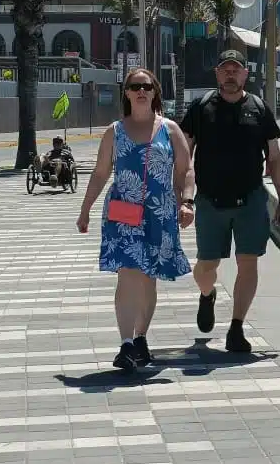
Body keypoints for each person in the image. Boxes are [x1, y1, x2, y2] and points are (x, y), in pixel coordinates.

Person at [77, 69, 193, 373]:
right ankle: (126, 343)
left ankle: (141, 336)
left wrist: (187, 202)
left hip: (160, 212)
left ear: (155, 92)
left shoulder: (170, 129)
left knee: (147, 277)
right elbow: (101, 172)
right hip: (122, 212)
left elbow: (185, 170)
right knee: (128, 272)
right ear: (126, 93)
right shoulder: (114, 131)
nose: (141, 91)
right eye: (134, 87)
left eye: (146, 86)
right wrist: (85, 209)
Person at [180, 50, 280, 354]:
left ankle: (236, 328)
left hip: (251, 199)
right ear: (217, 73)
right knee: (206, 265)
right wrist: (185, 198)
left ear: (245, 74)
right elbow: (185, 157)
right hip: (210, 201)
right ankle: (207, 294)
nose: (231, 74)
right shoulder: (201, 108)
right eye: (225, 69)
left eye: (236, 69)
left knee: (248, 261)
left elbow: (275, 157)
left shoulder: (258, 108)